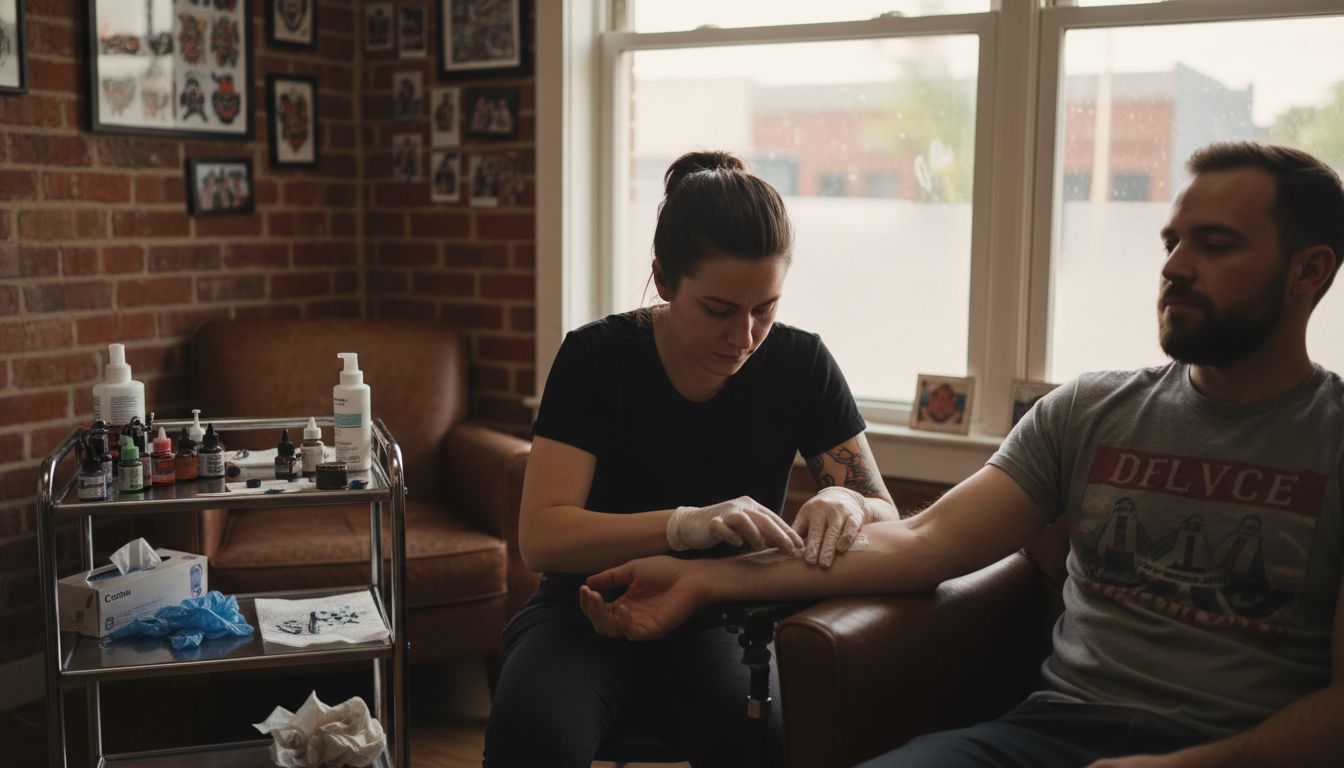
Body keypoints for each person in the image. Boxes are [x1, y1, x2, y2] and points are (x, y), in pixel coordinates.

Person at [580, 141, 1344, 767]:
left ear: (1309, 270)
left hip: (1246, 748)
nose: (1175, 266)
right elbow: (922, 541)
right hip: (1051, 733)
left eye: (1215, 244)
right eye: (1172, 241)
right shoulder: (1090, 409)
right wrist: (703, 577)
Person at [483, 150, 899, 767]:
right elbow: (541, 538)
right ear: (663, 278)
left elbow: (885, 513)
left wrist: (845, 498)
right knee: (532, 738)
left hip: (726, 613)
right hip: (588, 606)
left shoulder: (800, 363)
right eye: (719, 310)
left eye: (765, 308)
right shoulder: (596, 358)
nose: (744, 336)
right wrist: (685, 524)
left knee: (761, 740)